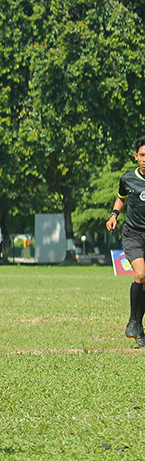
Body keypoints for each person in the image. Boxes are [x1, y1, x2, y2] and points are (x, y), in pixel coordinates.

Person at [105, 135, 145, 347]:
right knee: (140, 274)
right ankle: (133, 320)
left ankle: (138, 326)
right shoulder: (128, 179)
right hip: (133, 234)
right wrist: (113, 215)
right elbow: (121, 197)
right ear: (136, 156)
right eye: (142, 155)